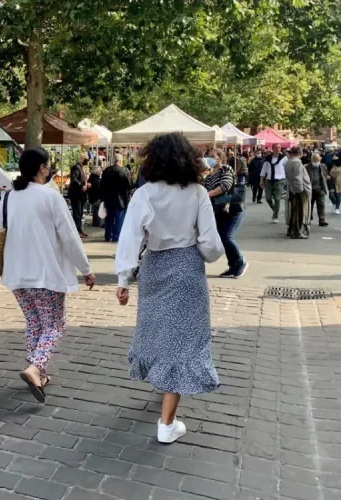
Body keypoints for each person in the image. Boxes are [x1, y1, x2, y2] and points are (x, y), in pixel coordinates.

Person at [115, 132, 224, 444]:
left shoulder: (145, 194)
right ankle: (166, 423)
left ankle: (164, 394)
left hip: (154, 267)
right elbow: (210, 243)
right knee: (185, 341)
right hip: (187, 268)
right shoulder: (197, 193)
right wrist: (211, 255)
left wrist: (124, 280)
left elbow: (130, 240)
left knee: (158, 333)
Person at [0, 148, 94, 402]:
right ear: (41, 168)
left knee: (35, 322)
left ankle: (39, 373)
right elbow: (70, 237)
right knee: (54, 325)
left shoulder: (8, 197)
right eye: (48, 165)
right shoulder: (51, 197)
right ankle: (35, 367)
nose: (50, 170)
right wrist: (86, 269)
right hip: (45, 272)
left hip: (16, 272)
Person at [206, 149, 247, 278]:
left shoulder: (226, 169)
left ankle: (240, 262)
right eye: (208, 156)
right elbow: (203, 188)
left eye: (213, 156)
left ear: (220, 158)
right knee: (222, 238)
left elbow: (225, 185)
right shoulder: (210, 175)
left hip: (233, 209)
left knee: (227, 237)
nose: (210, 159)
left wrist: (208, 194)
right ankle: (233, 266)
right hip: (219, 210)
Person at [101, 153, 131, 242]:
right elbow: (127, 186)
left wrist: (103, 197)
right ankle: (116, 236)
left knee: (109, 218)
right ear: (120, 161)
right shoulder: (123, 172)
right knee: (119, 219)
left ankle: (107, 236)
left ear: (113, 161)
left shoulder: (106, 171)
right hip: (120, 199)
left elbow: (102, 185)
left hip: (108, 199)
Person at [285, 146, 312, 239]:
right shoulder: (297, 163)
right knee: (299, 212)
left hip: (292, 189)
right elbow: (297, 178)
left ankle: (291, 229)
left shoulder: (289, 161)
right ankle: (297, 232)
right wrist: (300, 191)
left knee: (294, 211)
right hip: (297, 190)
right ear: (300, 153)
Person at [260, 144, 287, 223]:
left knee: (277, 198)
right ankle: (275, 210)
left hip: (280, 180)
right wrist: (261, 180)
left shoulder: (284, 158)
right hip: (269, 180)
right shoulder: (268, 158)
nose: (278, 149)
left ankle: (275, 216)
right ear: (273, 149)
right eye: (276, 148)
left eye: (279, 147)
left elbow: (287, 168)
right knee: (268, 198)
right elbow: (264, 169)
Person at [68, 153, 89, 238]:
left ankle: (79, 230)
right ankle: (76, 231)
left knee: (79, 213)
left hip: (80, 195)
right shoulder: (76, 168)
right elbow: (74, 179)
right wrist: (81, 186)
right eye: (86, 160)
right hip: (76, 194)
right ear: (81, 159)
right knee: (77, 213)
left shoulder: (80, 168)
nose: (86, 162)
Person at [305, 153, 329, 227]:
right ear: (312, 160)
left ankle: (322, 220)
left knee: (321, 205)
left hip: (320, 188)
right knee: (309, 205)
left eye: (318, 160)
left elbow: (325, 176)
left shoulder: (323, 166)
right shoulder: (306, 167)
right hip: (310, 189)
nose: (316, 162)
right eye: (315, 160)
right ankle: (308, 218)